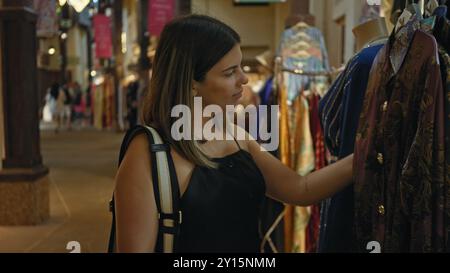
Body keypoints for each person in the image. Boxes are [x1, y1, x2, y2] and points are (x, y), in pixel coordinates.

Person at [113, 15, 354, 253]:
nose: (244, 79)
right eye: (230, 72)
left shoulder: (237, 137)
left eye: (240, 67)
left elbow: (301, 189)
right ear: (192, 82)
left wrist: (364, 155)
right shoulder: (148, 152)